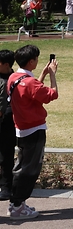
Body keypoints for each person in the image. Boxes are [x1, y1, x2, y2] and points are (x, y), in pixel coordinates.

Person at [7, 44, 58, 219]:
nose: (37, 61)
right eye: (36, 58)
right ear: (31, 61)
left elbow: (33, 91)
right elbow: (52, 94)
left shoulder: (13, 77)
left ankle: (16, 203)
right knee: (30, 170)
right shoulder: (30, 83)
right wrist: (52, 75)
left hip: (21, 129)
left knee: (21, 166)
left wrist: (42, 74)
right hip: (34, 130)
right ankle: (18, 206)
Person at [0, 49, 16, 200]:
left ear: (6, 64)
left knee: (6, 156)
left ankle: (6, 187)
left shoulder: (14, 79)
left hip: (7, 122)